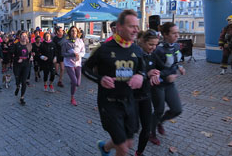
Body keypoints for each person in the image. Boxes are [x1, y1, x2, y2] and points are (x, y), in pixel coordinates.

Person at [83, 10, 145, 156]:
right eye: (132, 26)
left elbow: (143, 70)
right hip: (109, 103)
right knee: (123, 148)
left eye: (137, 26)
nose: (136, 30)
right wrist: (100, 79)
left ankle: (104, 147)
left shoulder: (137, 49)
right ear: (119, 27)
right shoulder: (104, 49)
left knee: (128, 143)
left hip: (129, 102)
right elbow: (85, 68)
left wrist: (141, 76)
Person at [149, 22, 185, 146]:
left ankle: (160, 122)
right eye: (174, 33)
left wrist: (179, 67)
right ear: (165, 34)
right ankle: (151, 133)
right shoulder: (157, 49)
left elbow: (174, 62)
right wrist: (165, 76)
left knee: (177, 109)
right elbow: (153, 69)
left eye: (177, 33)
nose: (177, 35)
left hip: (170, 84)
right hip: (158, 85)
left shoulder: (175, 46)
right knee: (159, 110)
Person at [134, 30, 168, 156]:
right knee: (132, 128)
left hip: (145, 96)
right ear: (142, 42)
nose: (154, 48)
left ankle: (139, 152)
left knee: (147, 128)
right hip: (131, 96)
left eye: (156, 45)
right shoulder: (134, 54)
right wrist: (146, 75)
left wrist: (158, 73)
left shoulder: (153, 55)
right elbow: (129, 76)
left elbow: (164, 69)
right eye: (150, 45)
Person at [62, 26, 85, 106]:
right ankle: (72, 98)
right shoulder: (66, 42)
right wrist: (72, 54)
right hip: (69, 64)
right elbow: (63, 54)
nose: (74, 32)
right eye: (72, 31)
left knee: (78, 83)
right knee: (75, 82)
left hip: (78, 64)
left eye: (75, 31)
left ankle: (74, 83)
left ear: (77, 32)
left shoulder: (80, 41)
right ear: (69, 33)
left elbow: (83, 52)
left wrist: (78, 55)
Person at [12, 31, 33, 105]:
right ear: (20, 37)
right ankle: (18, 86)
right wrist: (17, 59)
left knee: (24, 81)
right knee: (18, 80)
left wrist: (31, 57)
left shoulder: (29, 45)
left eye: (25, 36)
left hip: (26, 65)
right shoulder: (16, 45)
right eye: (23, 36)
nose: (24, 37)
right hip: (17, 65)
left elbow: (31, 54)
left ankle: (22, 97)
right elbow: (11, 55)